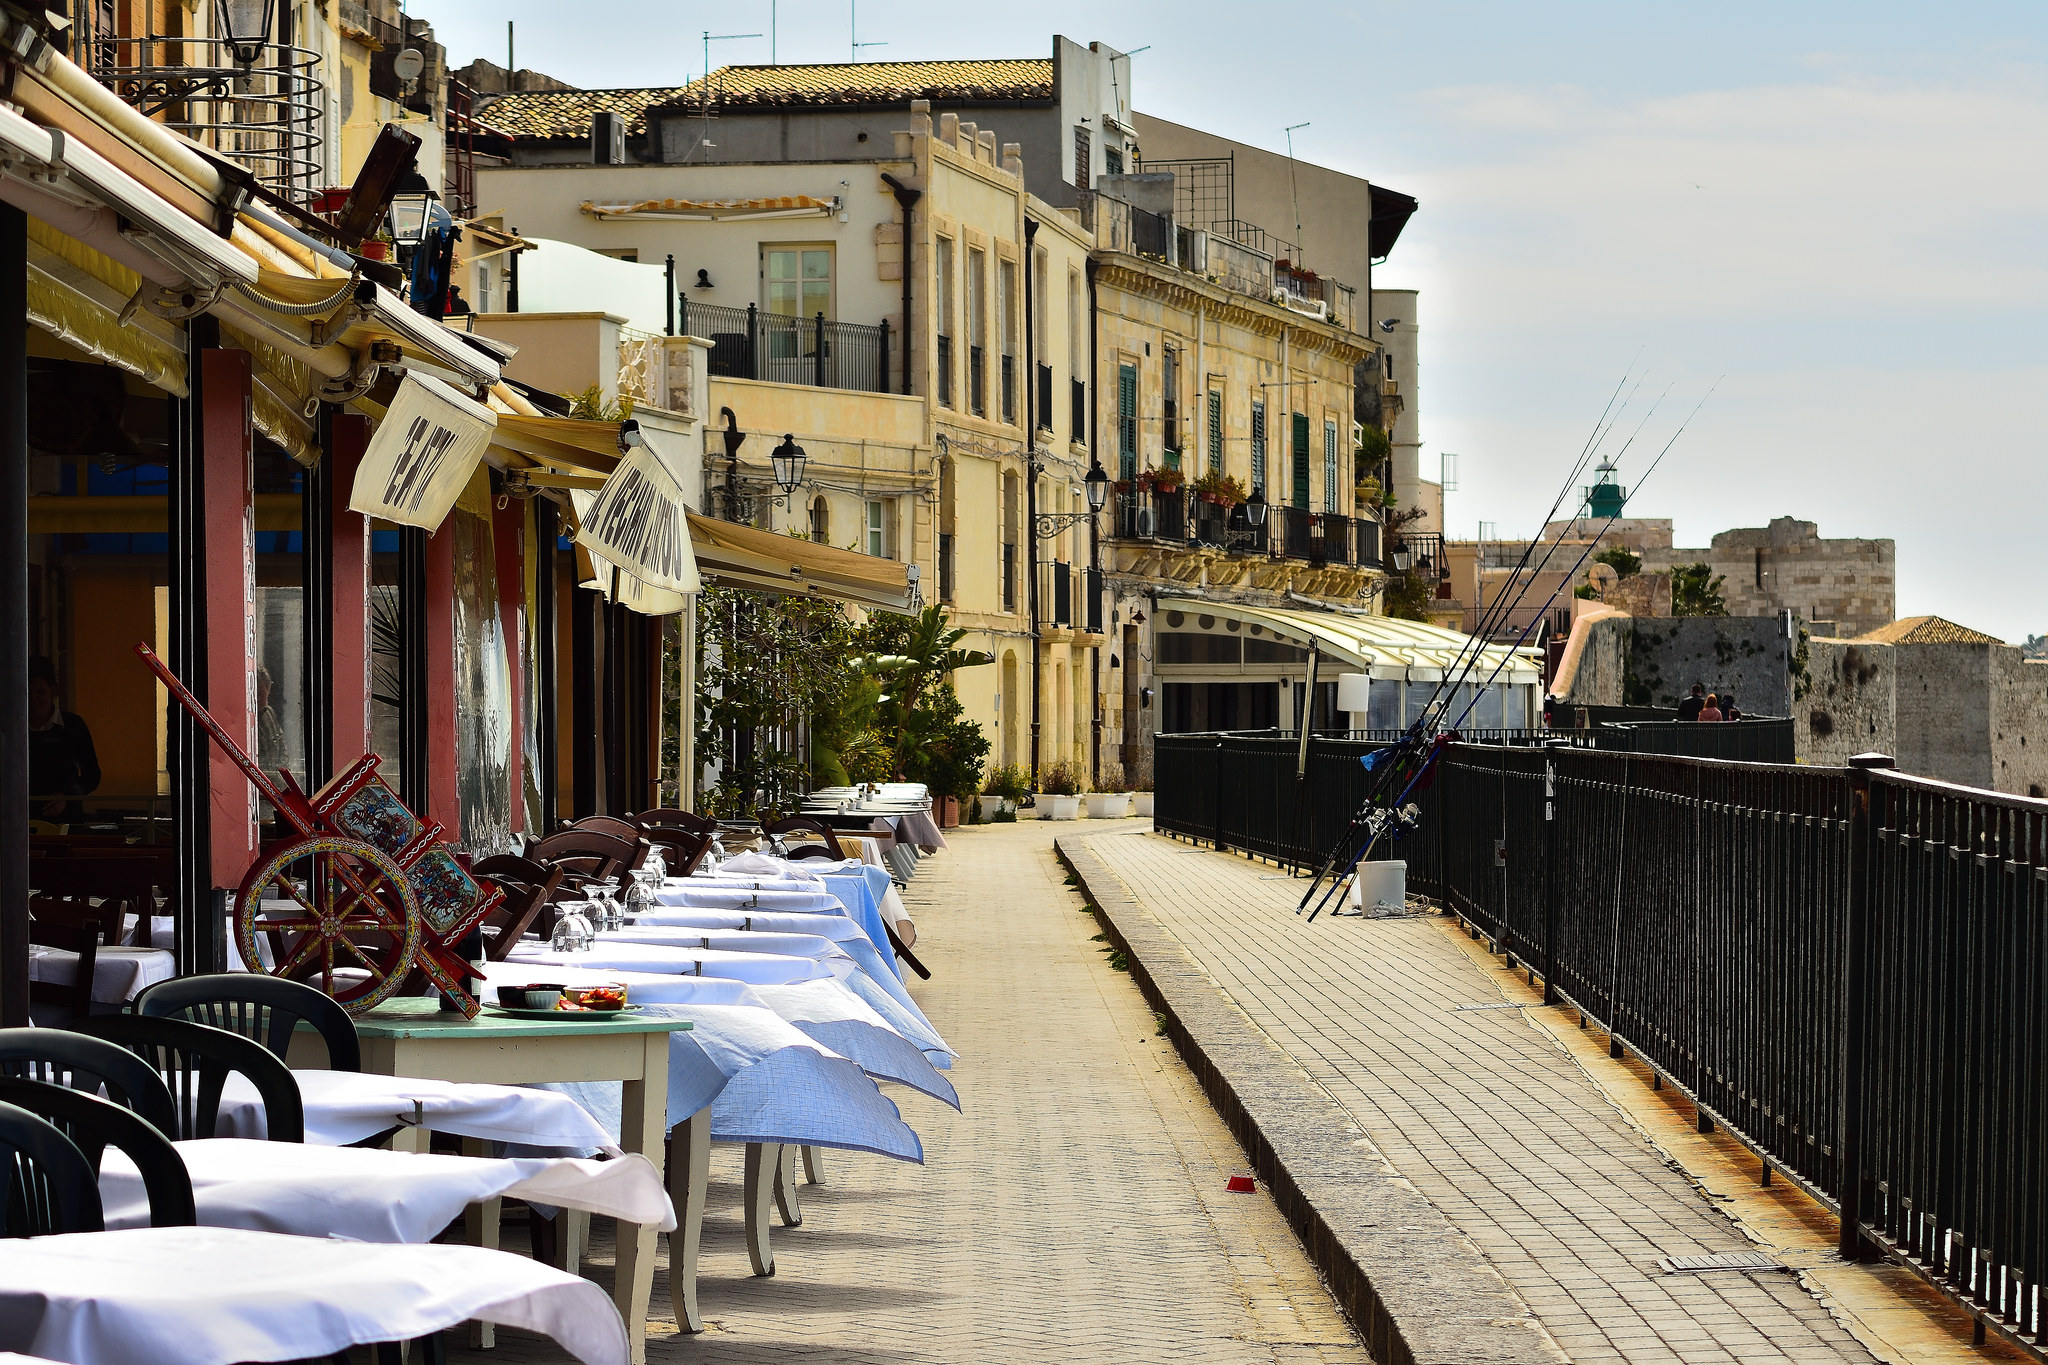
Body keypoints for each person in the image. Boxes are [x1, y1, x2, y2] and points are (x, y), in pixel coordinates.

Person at [28, 656, 100, 820]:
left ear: (53, 690)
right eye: (27, 692)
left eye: (40, 692)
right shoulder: (9, 727)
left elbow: (93, 775)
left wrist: (66, 798)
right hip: (18, 820)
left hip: (66, 820)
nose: (33, 699)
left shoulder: (73, 725)